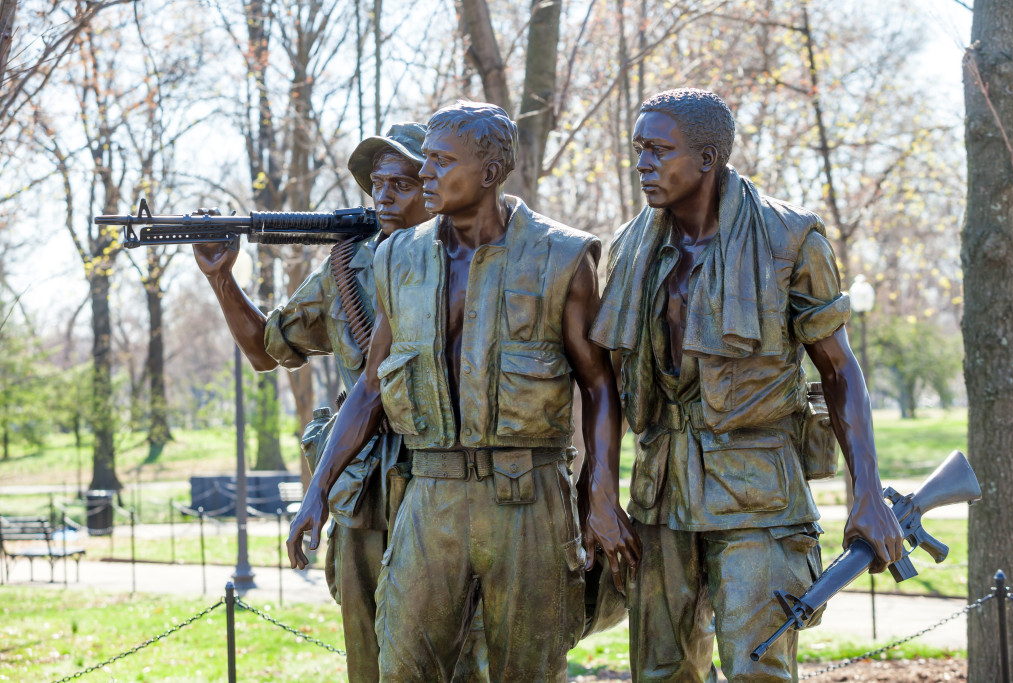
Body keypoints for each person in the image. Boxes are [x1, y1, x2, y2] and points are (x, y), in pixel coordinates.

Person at [286, 100, 641, 682]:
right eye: (424, 159)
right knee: (403, 666)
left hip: (528, 498)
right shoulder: (399, 257)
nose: (424, 174)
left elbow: (600, 385)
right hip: (431, 497)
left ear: (491, 171)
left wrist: (600, 491)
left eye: (440, 161)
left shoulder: (562, 255)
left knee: (525, 670)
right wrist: (317, 491)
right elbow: (372, 389)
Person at [590, 88, 904, 682]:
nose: (642, 164)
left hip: (757, 491)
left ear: (708, 157)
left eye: (659, 150)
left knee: (758, 670)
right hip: (660, 491)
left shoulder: (790, 239)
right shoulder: (632, 248)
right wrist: (602, 493)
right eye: (638, 150)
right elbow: (604, 380)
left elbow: (839, 370)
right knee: (660, 672)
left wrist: (869, 490)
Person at [193, 122, 487, 683]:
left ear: (433, 188)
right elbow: (265, 349)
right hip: (364, 488)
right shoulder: (344, 272)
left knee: (461, 648)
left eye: (402, 183)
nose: (384, 197)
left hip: (445, 480)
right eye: (377, 184)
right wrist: (222, 280)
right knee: (367, 649)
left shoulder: (473, 263)